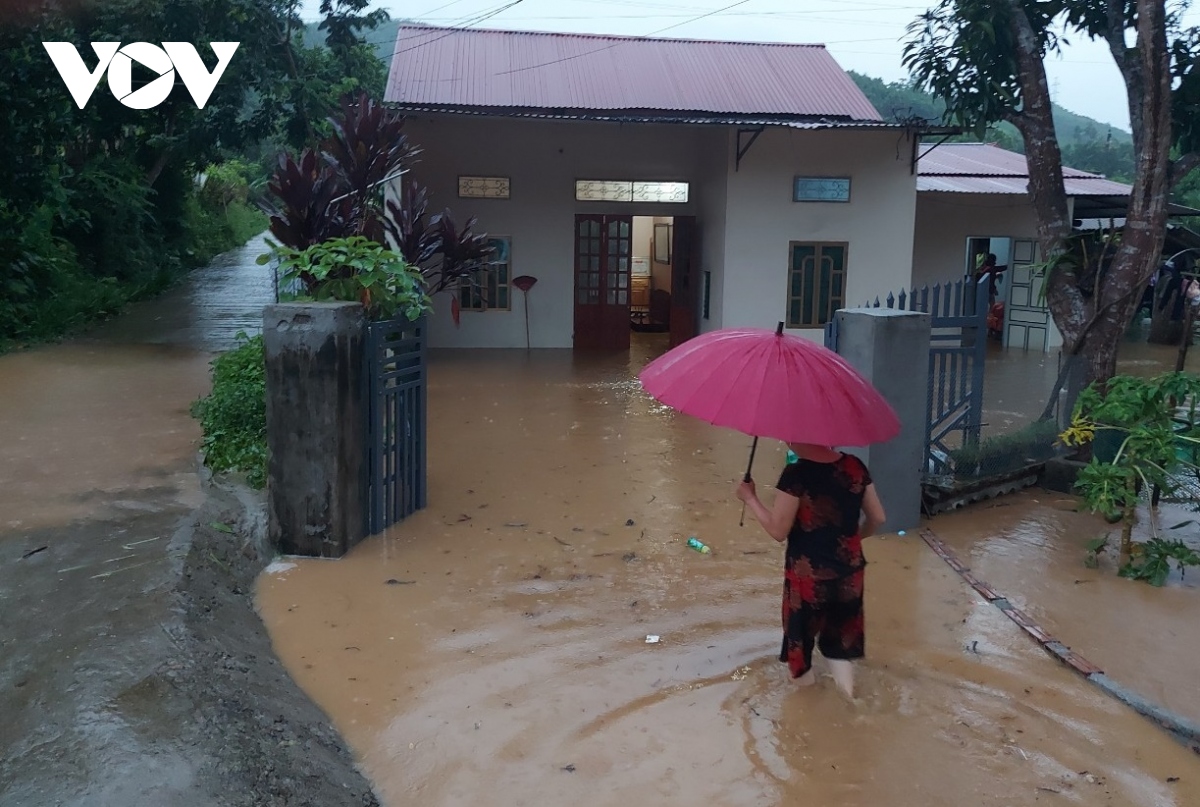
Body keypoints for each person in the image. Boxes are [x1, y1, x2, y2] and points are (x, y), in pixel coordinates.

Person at [736, 444, 885, 699]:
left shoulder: (796, 474)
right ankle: (850, 705)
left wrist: (750, 498)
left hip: (808, 580)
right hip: (850, 575)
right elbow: (878, 518)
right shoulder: (855, 467)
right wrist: (852, 542)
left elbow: (778, 530)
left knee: (800, 650)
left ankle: (808, 712)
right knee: (839, 645)